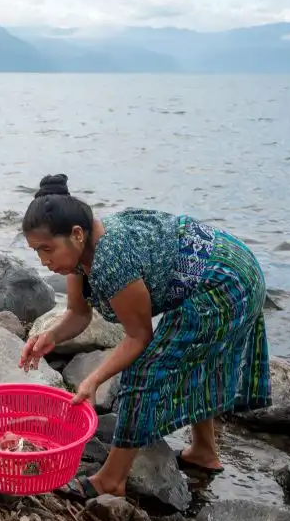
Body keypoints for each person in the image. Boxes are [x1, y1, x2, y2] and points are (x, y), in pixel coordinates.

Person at [18, 174, 271, 501]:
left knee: (144, 372)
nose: (43, 260)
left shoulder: (111, 259)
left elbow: (139, 338)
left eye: (47, 249)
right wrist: (48, 336)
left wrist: (93, 378)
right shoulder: (80, 251)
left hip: (227, 282)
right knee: (191, 361)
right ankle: (204, 453)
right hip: (220, 266)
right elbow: (78, 315)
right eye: (37, 251)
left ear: (76, 235)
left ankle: (111, 480)